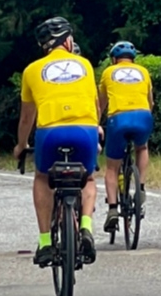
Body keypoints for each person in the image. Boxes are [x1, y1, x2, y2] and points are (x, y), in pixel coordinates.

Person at [13, 16, 99, 267]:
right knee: (89, 178)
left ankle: (46, 243)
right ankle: (85, 228)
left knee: (42, 177)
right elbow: (94, 105)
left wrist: (21, 145)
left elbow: (27, 117)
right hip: (85, 130)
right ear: (68, 41)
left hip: (49, 133)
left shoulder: (31, 71)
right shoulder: (85, 65)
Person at [99, 41, 155, 236]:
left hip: (118, 119)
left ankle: (113, 208)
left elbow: (101, 104)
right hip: (143, 116)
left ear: (114, 59)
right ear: (133, 59)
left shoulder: (108, 73)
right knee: (142, 148)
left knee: (112, 167)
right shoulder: (144, 72)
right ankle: (140, 187)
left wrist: (97, 123)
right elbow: (151, 102)